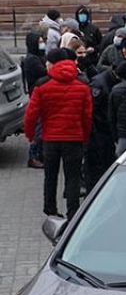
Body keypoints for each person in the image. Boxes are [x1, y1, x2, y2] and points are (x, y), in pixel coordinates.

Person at [23, 50, 92, 219]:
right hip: (74, 138)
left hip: (50, 139)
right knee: (73, 176)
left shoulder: (42, 85)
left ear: (52, 64)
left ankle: (50, 209)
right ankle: (73, 211)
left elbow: (31, 114)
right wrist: (85, 137)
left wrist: (30, 135)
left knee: (51, 175)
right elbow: (87, 116)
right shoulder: (82, 85)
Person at [86, 59, 122, 191]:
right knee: (97, 164)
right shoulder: (100, 83)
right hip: (98, 130)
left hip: (106, 128)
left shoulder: (109, 81)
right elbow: (92, 108)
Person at [21, 32, 47, 168]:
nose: (42, 44)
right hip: (36, 95)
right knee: (38, 127)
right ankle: (34, 156)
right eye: (40, 41)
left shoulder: (38, 56)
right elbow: (44, 72)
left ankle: (39, 154)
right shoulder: (32, 60)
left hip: (39, 95)